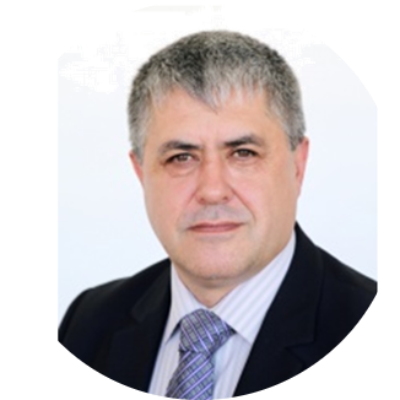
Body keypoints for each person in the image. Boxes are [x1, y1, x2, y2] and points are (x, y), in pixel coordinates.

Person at [58, 31, 376, 398]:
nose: (212, 190)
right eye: (181, 157)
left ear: (298, 166)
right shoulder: (89, 323)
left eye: (243, 153)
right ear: (141, 173)